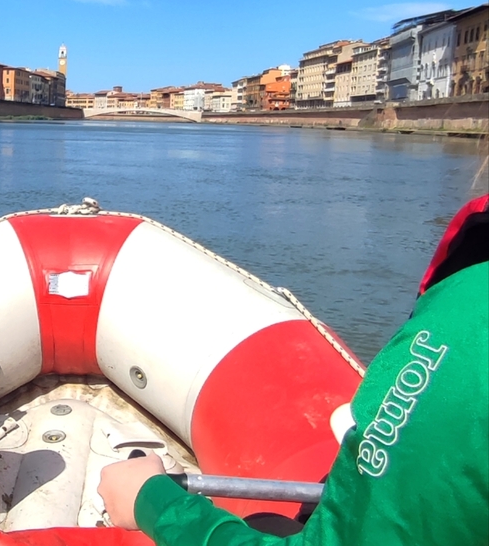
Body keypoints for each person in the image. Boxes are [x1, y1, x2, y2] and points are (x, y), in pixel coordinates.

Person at [99, 191, 488, 544]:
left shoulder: (466, 292)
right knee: (270, 520)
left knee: (270, 522)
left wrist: (154, 502)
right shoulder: (469, 281)